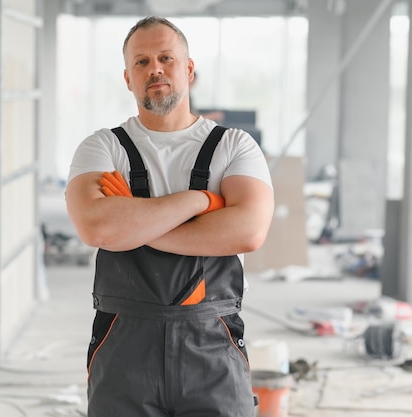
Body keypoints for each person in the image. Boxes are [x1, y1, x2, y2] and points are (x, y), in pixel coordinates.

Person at [65, 16, 274, 417]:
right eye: (141, 62)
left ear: (189, 69)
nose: (154, 68)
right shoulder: (102, 148)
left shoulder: (234, 147)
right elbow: (97, 226)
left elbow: (248, 231)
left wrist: (136, 224)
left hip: (211, 349)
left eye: (166, 57)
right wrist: (199, 202)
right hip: (123, 349)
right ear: (128, 78)